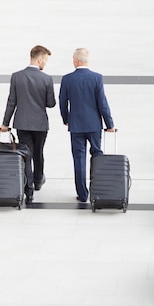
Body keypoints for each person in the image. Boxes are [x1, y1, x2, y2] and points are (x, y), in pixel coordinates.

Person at [0, 45, 56, 203]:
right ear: (39, 59)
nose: (45, 64)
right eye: (45, 60)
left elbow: (12, 102)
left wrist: (5, 123)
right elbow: (51, 103)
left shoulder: (16, 76)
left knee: (26, 155)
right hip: (40, 124)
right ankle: (38, 181)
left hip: (22, 123)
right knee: (38, 152)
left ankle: (29, 190)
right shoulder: (46, 79)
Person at [59, 48, 115, 203]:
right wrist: (109, 123)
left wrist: (66, 119)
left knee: (79, 158)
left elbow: (63, 103)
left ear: (76, 61)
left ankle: (83, 194)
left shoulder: (67, 79)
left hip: (76, 125)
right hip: (94, 125)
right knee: (97, 155)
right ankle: (98, 189)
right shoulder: (97, 78)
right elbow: (102, 103)